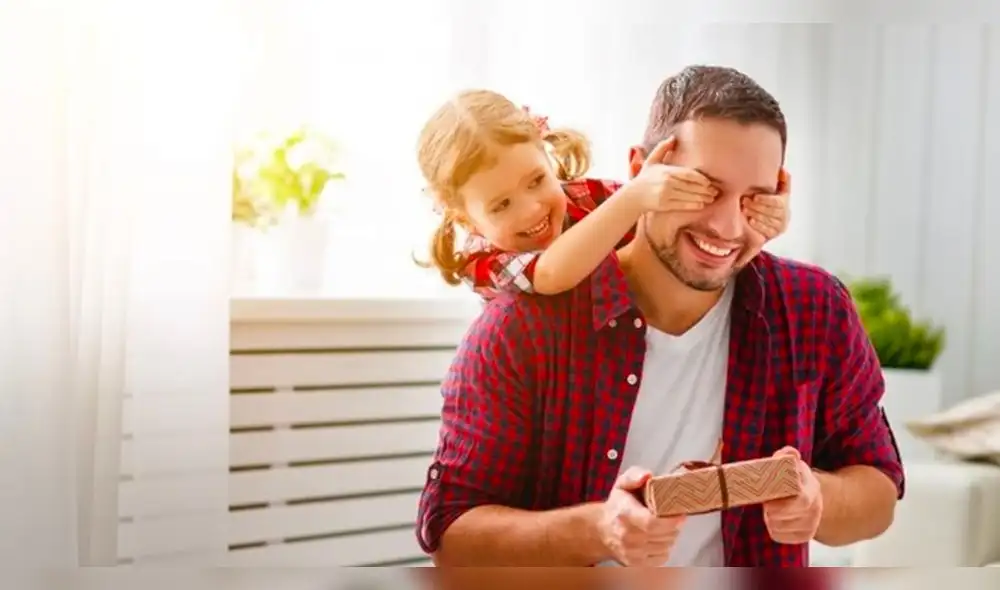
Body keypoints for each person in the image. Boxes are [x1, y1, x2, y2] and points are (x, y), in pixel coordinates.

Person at [415, 65, 904, 568]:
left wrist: (818, 499)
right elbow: (454, 540)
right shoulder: (520, 330)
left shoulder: (814, 309)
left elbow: (879, 492)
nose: (727, 224)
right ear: (640, 171)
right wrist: (596, 530)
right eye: (702, 188)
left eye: (753, 197)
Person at [415, 89, 788, 300]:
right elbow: (549, 274)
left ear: (547, 153)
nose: (531, 209)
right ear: (465, 218)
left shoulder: (586, 197)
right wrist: (633, 199)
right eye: (501, 205)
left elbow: (665, 226)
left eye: (535, 181)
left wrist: (758, 213)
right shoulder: (482, 260)